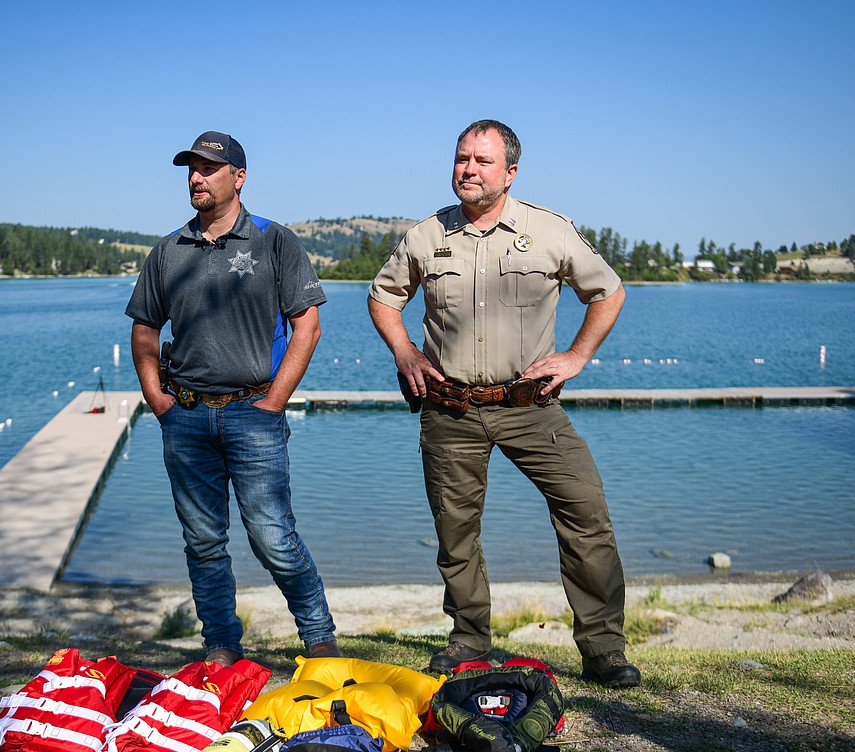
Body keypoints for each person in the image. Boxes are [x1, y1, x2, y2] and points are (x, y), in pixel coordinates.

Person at [368, 119, 639, 688]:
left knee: (586, 513)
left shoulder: (550, 231)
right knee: (455, 531)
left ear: (510, 172)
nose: (468, 168)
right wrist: (406, 355)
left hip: (531, 405)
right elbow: (383, 296)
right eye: (462, 157)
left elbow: (608, 292)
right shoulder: (426, 236)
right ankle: (468, 641)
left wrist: (575, 356)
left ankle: (604, 650)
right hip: (450, 409)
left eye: (482, 161)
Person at [126, 130, 340, 665]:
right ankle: (221, 646)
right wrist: (158, 399)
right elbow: (145, 329)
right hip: (188, 417)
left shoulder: (274, 241)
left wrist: (274, 403)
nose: (196, 178)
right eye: (191, 169)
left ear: (238, 177)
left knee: (273, 538)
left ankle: (319, 639)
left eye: (208, 169)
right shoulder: (168, 251)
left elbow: (307, 326)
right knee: (203, 543)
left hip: (254, 415)